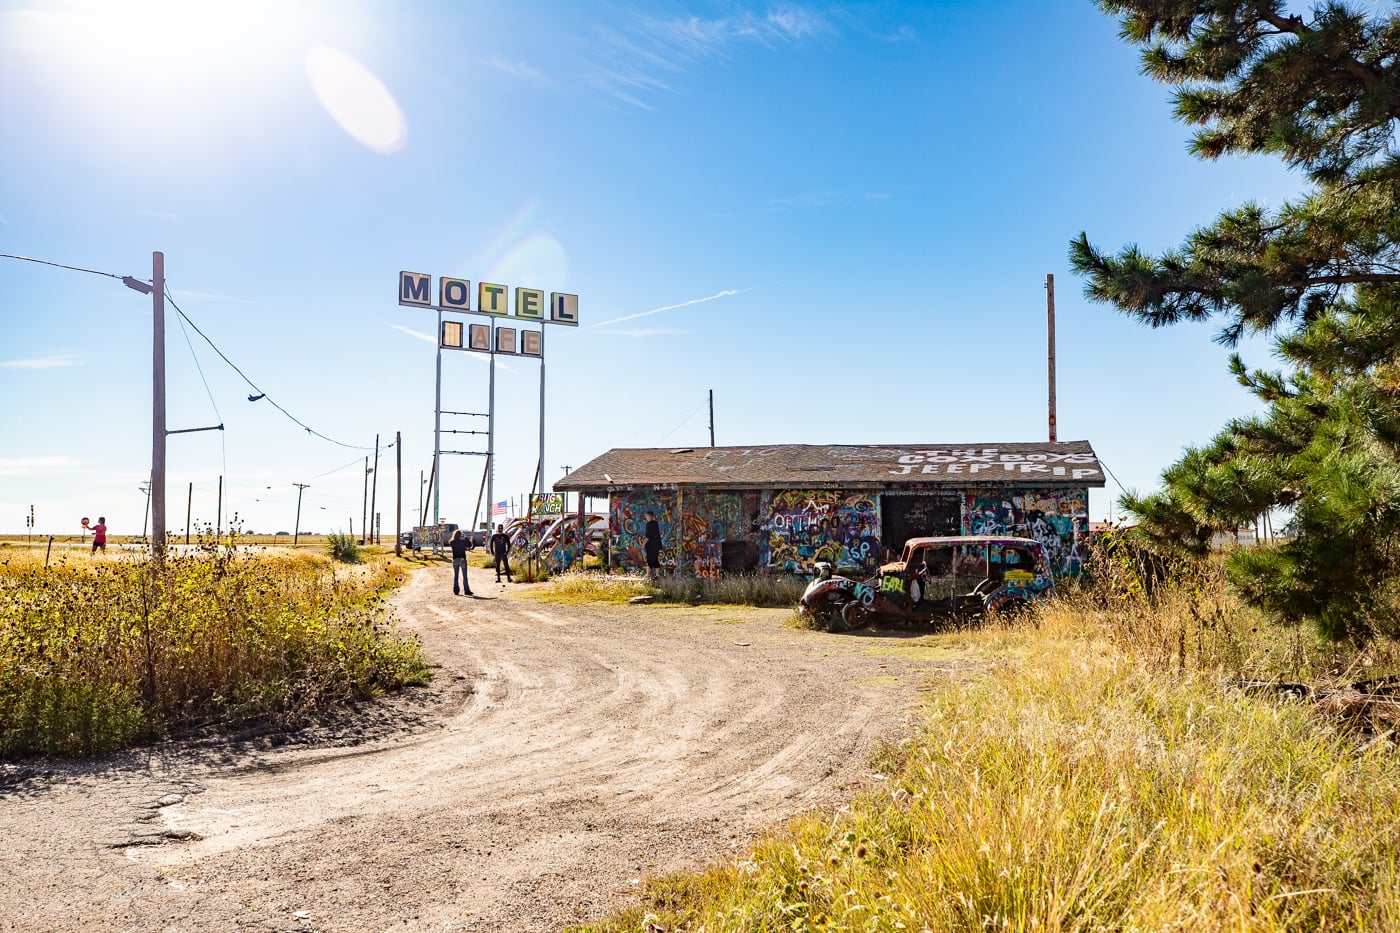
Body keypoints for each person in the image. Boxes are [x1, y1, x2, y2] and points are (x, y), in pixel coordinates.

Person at [448, 529, 473, 596]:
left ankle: (456, 591)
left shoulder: (452, 542)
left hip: (455, 559)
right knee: (465, 576)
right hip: (462, 559)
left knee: (456, 576)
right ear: (460, 535)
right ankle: (466, 590)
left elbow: (451, 542)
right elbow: (470, 545)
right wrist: (465, 537)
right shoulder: (462, 541)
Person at [643, 511, 662, 579]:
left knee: (650, 559)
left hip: (651, 546)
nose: (646, 517)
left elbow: (648, 536)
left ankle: (650, 574)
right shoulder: (655, 523)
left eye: (647, 516)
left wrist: (643, 544)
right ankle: (654, 574)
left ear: (650, 516)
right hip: (656, 545)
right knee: (652, 559)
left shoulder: (649, 524)